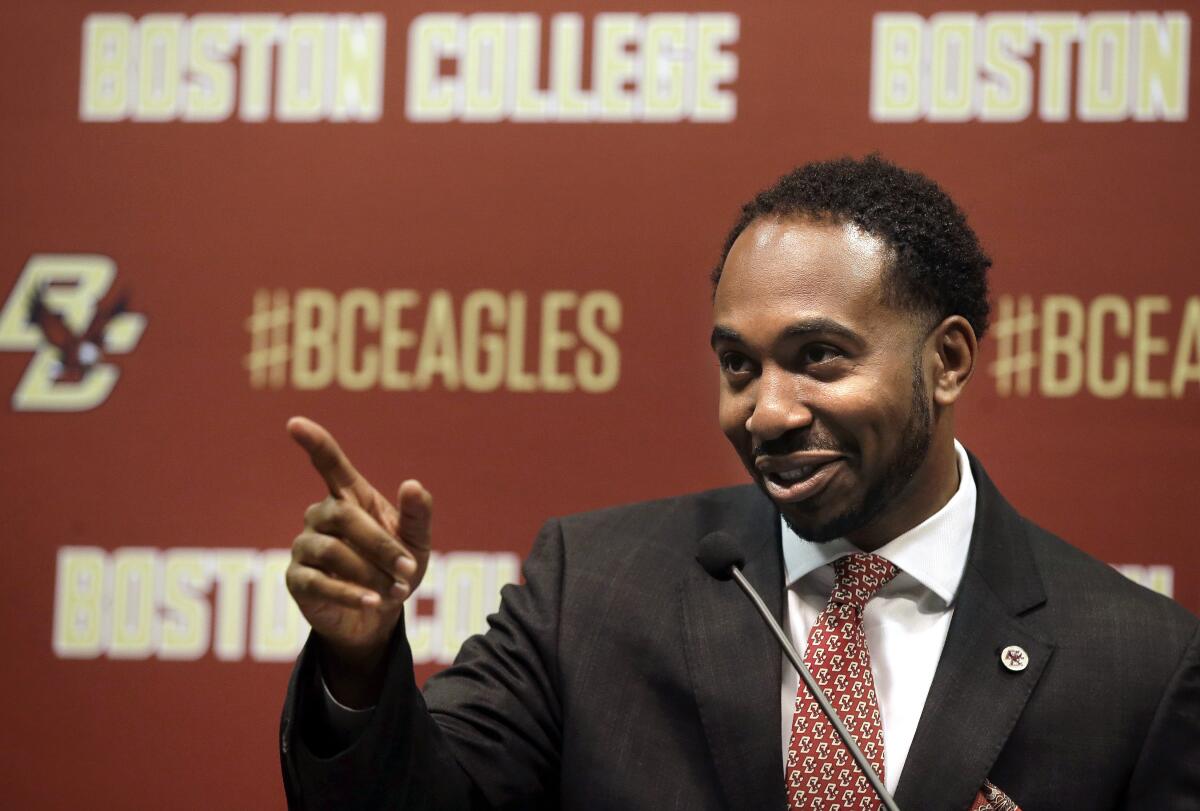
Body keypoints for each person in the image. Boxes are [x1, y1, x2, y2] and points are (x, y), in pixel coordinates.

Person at [279, 156, 1200, 810]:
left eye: (818, 358)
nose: (767, 412)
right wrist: (359, 665)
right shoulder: (592, 588)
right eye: (738, 365)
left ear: (948, 360)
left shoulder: (1138, 664)